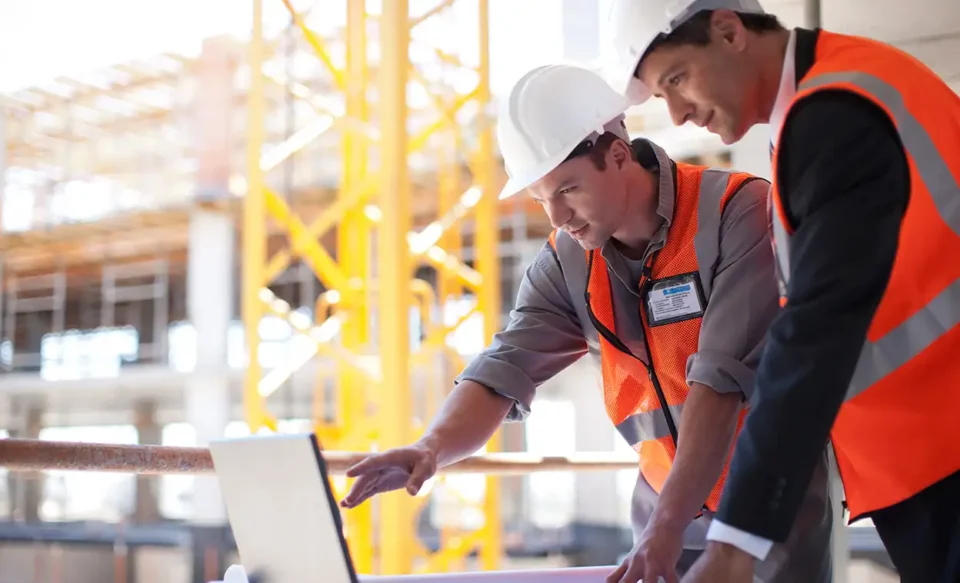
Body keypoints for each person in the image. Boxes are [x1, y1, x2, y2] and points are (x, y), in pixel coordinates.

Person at [338, 63, 832, 582]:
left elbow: (719, 383)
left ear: (618, 155)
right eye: (540, 199)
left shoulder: (735, 212)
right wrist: (431, 447)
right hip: (662, 515)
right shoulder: (568, 261)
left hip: (762, 516)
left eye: (568, 189)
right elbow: (506, 366)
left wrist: (664, 528)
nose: (557, 216)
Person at [604, 1, 960, 582]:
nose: (677, 113)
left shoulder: (834, 117)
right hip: (928, 447)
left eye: (676, 79)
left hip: (944, 447)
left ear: (728, 30)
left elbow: (813, 336)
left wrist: (734, 544)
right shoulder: (832, 97)